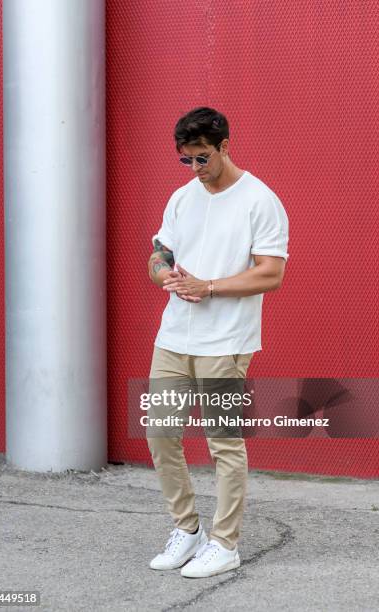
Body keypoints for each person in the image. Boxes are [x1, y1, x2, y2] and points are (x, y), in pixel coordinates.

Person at [146, 107, 289, 578]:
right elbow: (158, 254)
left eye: (202, 158)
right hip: (173, 336)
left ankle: (226, 544)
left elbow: (271, 272)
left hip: (226, 341)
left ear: (225, 145)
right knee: (160, 431)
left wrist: (208, 286)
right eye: (186, 160)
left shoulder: (259, 200)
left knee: (223, 442)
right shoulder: (182, 197)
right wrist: (165, 273)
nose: (195, 169)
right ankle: (188, 532)